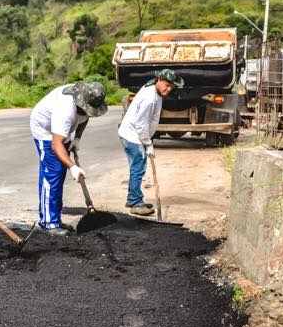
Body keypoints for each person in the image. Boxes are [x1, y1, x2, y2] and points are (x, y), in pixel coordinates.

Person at [29, 81, 108, 235]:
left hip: (60, 132)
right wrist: (73, 167)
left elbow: (85, 118)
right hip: (45, 131)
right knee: (53, 173)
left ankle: (55, 219)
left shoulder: (86, 100)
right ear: (81, 103)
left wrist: (77, 138)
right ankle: (48, 223)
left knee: (59, 173)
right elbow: (56, 144)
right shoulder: (65, 110)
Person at [117, 69, 184, 215]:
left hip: (136, 134)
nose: (168, 89)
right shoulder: (149, 98)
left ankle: (133, 197)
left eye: (172, 87)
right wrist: (148, 144)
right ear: (159, 80)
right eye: (167, 85)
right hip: (133, 135)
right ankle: (135, 202)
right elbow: (141, 124)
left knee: (137, 167)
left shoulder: (154, 88)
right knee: (138, 167)